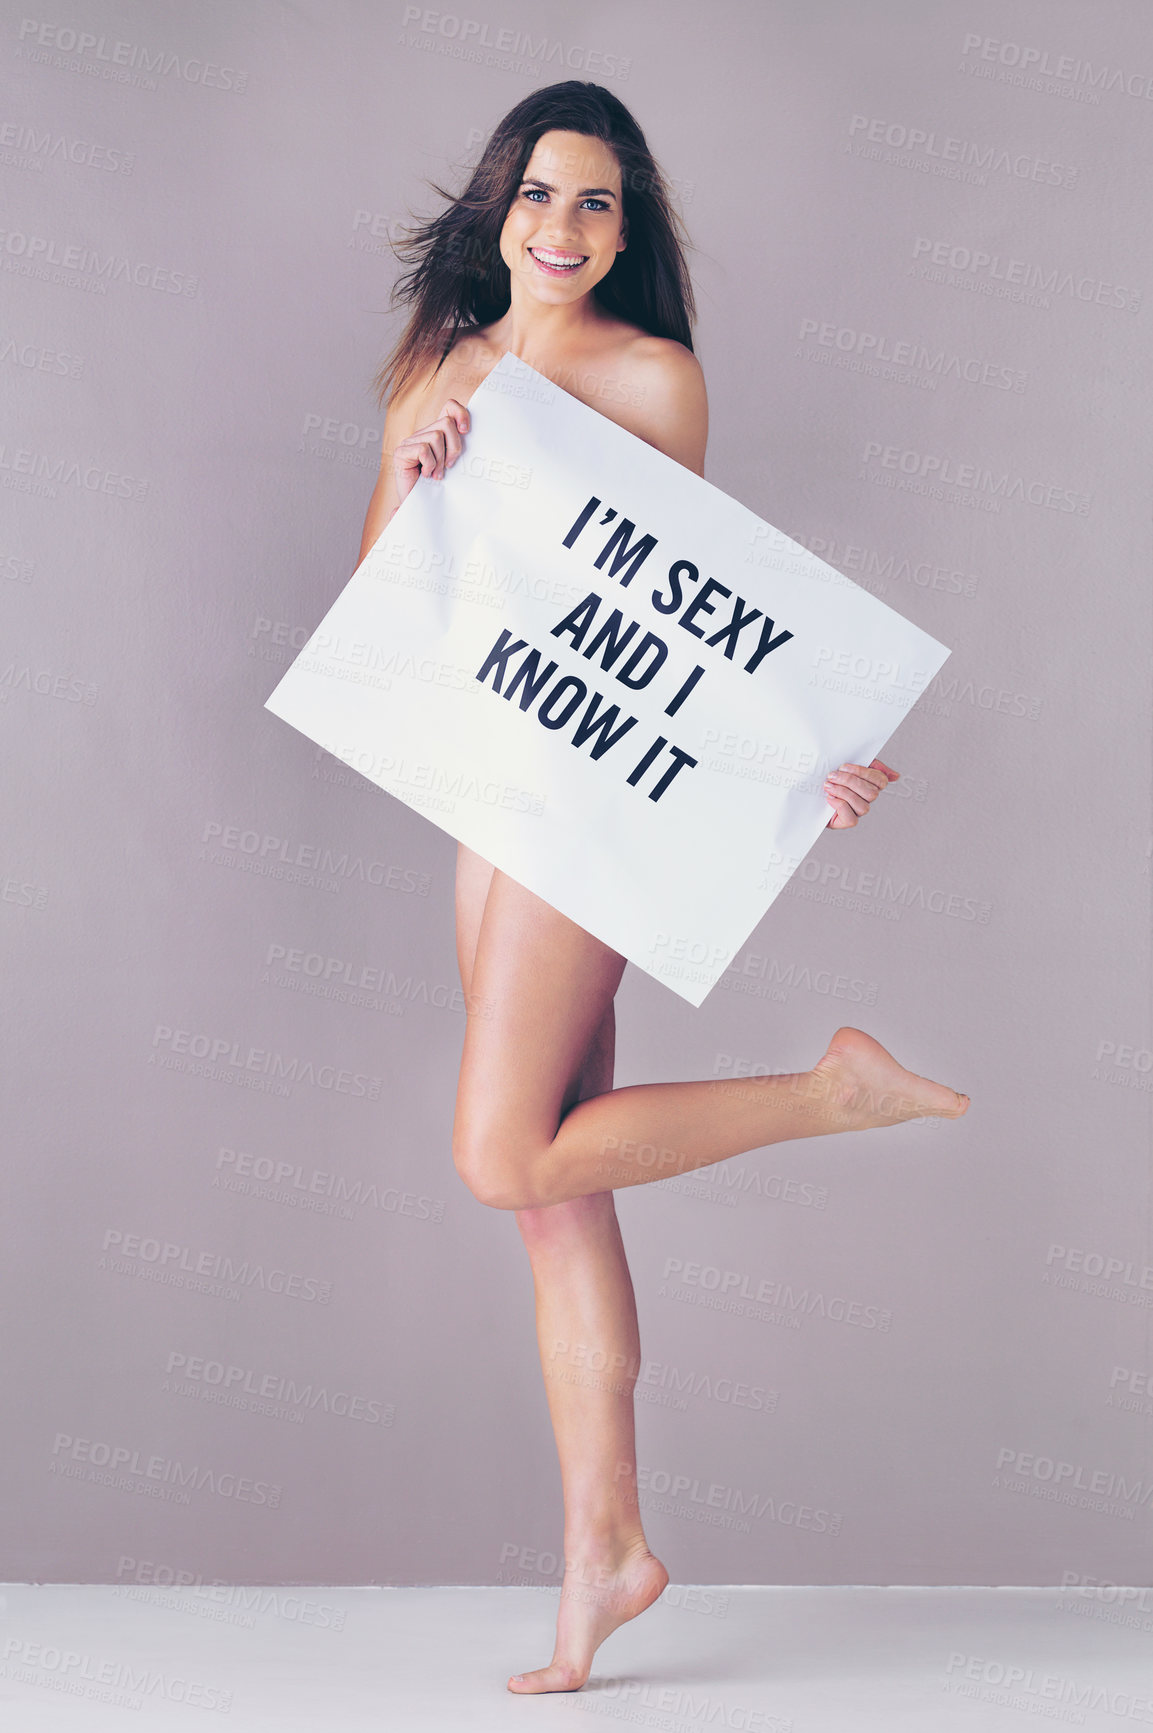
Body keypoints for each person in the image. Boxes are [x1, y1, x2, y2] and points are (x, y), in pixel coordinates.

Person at [355, 80, 969, 1695]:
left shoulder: (651, 377)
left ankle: (831, 1092)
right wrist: (414, 472)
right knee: (557, 1207)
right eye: (543, 197)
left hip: (583, 805)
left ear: (628, 232)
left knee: (502, 1152)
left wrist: (793, 768)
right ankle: (604, 1566)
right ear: (500, 205)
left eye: (599, 206)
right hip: (481, 801)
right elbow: (384, 615)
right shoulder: (440, 366)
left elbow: (673, 624)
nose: (564, 230)